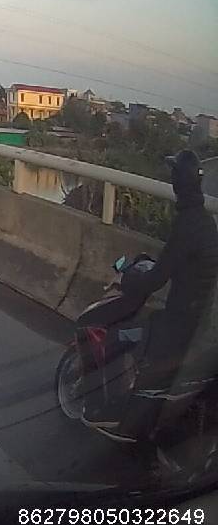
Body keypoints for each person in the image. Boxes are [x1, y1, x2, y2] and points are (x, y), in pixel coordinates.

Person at [89, 150, 218, 436]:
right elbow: (175, 264)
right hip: (198, 317)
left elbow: (156, 280)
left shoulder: (188, 224)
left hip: (179, 321)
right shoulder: (204, 221)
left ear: (177, 183)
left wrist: (127, 281)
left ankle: (128, 427)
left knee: (122, 338)